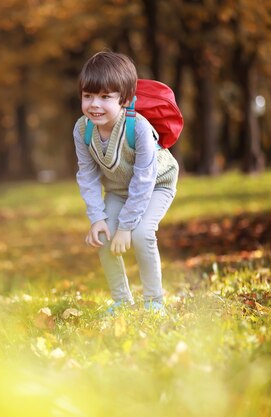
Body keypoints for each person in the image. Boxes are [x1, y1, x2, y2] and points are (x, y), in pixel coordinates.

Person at [73, 51, 179, 314]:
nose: (94, 104)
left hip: (156, 185)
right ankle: (122, 301)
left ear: (125, 100)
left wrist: (126, 226)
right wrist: (97, 218)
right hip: (119, 190)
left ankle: (154, 301)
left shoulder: (139, 128)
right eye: (88, 96)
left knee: (142, 234)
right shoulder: (82, 129)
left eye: (105, 97)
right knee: (104, 236)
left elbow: (144, 180)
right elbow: (87, 175)